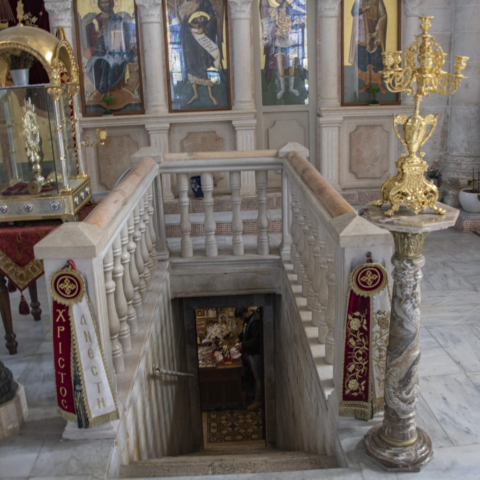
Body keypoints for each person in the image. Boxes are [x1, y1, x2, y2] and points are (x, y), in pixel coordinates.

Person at [84, 0, 134, 95]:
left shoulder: (117, 18)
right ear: (99, 4)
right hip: (101, 49)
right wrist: (99, 35)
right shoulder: (96, 20)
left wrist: (122, 36)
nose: (105, 5)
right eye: (102, 2)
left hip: (116, 49)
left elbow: (125, 35)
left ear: (111, 3)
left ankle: (115, 91)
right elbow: (90, 38)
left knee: (116, 62)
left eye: (107, 2)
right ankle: (104, 89)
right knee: (95, 63)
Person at [178, 0, 221, 106]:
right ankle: (195, 94)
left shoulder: (205, 3)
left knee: (205, 65)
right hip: (190, 41)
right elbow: (184, 23)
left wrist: (203, 28)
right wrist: (189, 27)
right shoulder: (186, 4)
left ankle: (211, 94)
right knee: (191, 65)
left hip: (202, 39)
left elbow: (212, 18)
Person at [349, 0, 388, 95]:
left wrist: (377, 30)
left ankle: (379, 83)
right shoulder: (358, 1)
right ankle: (366, 83)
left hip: (373, 33)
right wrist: (364, 9)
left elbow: (383, 16)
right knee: (363, 58)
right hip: (361, 32)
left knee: (376, 59)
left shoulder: (377, 1)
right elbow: (353, 12)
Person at [235, 307, 263, 411]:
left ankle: (258, 400)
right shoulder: (248, 319)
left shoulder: (256, 322)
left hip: (255, 353)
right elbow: (245, 331)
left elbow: (256, 341)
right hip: (250, 353)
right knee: (255, 376)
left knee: (258, 378)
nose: (241, 320)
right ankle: (255, 394)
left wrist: (242, 345)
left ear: (244, 314)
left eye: (241, 318)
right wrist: (239, 337)